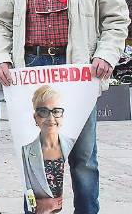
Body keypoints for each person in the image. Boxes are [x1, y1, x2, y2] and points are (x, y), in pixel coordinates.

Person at [0, 0, 130, 214]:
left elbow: (117, 18)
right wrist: (0, 58)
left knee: (83, 156)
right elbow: (0, 23)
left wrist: (106, 54)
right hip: (33, 70)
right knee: (37, 154)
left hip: (78, 72)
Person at [21, 85, 75, 214]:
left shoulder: (74, 146)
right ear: (36, 118)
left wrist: (52, 203)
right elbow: (27, 190)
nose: (51, 119)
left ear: (62, 115)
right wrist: (36, 206)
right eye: (44, 112)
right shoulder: (26, 152)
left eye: (56, 111)